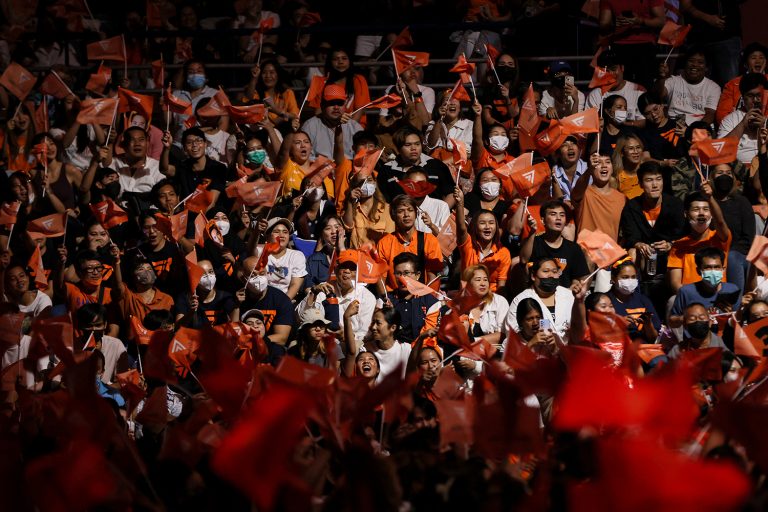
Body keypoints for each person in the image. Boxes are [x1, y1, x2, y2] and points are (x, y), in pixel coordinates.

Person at [297, 249, 375, 343]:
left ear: (359, 273)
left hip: (352, 343)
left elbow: (365, 333)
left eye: (352, 268)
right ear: (335, 269)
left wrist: (346, 336)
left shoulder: (367, 297)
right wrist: (313, 293)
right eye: (343, 267)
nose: (347, 271)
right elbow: (301, 317)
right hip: (323, 340)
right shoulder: (324, 288)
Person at [667, 185, 731, 292]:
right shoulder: (678, 246)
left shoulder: (720, 238)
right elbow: (675, 283)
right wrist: (693, 298)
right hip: (689, 298)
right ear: (686, 214)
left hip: (718, 297)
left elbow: (720, 222)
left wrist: (710, 198)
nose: (701, 213)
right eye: (696, 209)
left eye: (706, 209)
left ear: (712, 214)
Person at [376, 194, 444, 292]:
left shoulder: (429, 240)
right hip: (394, 298)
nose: (406, 214)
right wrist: (386, 300)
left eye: (410, 210)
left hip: (421, 298)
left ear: (416, 214)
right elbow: (380, 278)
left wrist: (427, 301)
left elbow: (433, 278)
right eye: (401, 211)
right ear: (393, 216)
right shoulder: (384, 243)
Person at [377, 126, 455, 206]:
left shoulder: (436, 165)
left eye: (417, 144)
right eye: (408, 145)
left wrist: (441, 213)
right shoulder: (386, 170)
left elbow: (451, 193)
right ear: (398, 148)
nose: (413, 148)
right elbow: (382, 200)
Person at [520, 200, 590, 288]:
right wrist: (532, 232)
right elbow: (523, 260)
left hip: (564, 297)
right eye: (553, 214)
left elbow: (579, 277)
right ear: (542, 220)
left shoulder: (573, 248)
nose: (558, 218)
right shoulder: (533, 242)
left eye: (562, 215)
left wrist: (575, 286)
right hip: (537, 294)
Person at [597, 0, 665, 88]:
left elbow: (661, 21)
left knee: (645, 85)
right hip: (619, 45)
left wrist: (639, 21)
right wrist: (615, 23)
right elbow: (603, 24)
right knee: (621, 86)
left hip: (645, 46)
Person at [454, 188, 511, 293]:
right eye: (482, 223)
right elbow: (461, 228)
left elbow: (501, 287)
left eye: (491, 223)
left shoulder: (503, 253)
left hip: (492, 299)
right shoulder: (468, 245)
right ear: (475, 227)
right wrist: (460, 203)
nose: (487, 226)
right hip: (467, 298)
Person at [669, 247, 741, 329]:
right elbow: (672, 321)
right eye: (708, 268)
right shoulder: (686, 292)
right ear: (698, 271)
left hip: (723, 338)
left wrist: (731, 314)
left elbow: (739, 321)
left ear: (723, 269)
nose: (713, 271)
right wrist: (690, 317)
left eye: (717, 267)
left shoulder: (732, 290)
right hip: (695, 339)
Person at [505, 258, 575, 342]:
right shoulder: (520, 300)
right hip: (535, 351)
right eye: (546, 271)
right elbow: (512, 332)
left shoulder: (569, 295)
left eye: (554, 271)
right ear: (533, 276)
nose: (551, 275)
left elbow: (580, 326)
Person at [710, 164, 755, 292]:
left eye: (728, 173)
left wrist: (727, 254)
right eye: (720, 173)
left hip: (738, 255)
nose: (724, 176)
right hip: (712, 252)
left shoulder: (742, 202)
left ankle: (736, 305)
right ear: (712, 177)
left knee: (733, 257)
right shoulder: (705, 201)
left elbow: (748, 239)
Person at [159, 126, 226, 207]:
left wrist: (197, 219)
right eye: (189, 142)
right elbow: (164, 169)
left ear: (205, 144)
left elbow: (211, 202)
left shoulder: (218, 168)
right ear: (184, 148)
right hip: (185, 215)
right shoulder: (182, 167)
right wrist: (166, 148)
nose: (194, 145)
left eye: (199, 141)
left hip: (210, 215)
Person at [657, 47, 721, 126]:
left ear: (706, 67)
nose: (695, 64)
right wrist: (662, 78)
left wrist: (693, 131)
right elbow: (658, 95)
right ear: (685, 63)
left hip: (698, 127)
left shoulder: (713, 87)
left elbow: (710, 114)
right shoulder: (673, 81)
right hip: (673, 126)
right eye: (691, 61)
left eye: (700, 62)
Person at [237, 255, 293, 346]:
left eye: (262, 274)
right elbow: (233, 332)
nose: (258, 279)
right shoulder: (237, 298)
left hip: (270, 347)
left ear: (267, 274)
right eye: (253, 275)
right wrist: (236, 306)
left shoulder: (281, 300)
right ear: (244, 279)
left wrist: (254, 341)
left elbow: (282, 338)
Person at [585, 50, 646, 128]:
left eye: (613, 69)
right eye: (606, 71)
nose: (610, 74)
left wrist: (626, 125)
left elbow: (646, 121)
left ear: (622, 68)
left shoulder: (638, 91)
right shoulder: (595, 95)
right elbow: (588, 124)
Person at [387, 253, 440, 344]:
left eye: (406, 273)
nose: (402, 278)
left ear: (418, 275)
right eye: (398, 274)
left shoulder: (430, 302)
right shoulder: (386, 300)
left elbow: (428, 336)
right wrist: (388, 314)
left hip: (419, 350)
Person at [717, 73, 767, 165]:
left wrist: (764, 126)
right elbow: (719, 152)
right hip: (739, 169)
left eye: (759, 95)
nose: (756, 100)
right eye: (751, 96)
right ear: (743, 97)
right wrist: (742, 124)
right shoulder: (730, 119)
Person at [301, 85, 362, 160]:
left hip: (348, 169)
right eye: (331, 103)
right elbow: (305, 157)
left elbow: (364, 155)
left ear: (345, 105)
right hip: (319, 169)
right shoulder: (310, 126)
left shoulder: (355, 127)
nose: (336, 107)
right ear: (322, 105)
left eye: (340, 103)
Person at [102, 126, 164, 200]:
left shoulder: (157, 167)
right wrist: (110, 142)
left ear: (147, 143)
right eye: (132, 140)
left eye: (141, 140)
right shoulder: (115, 163)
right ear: (124, 144)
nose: (137, 144)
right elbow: (105, 166)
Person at [607, 259, 660, 343]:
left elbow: (653, 339)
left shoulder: (643, 300)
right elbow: (600, 335)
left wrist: (648, 324)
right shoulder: (605, 302)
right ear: (613, 278)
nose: (630, 281)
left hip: (644, 349)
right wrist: (619, 325)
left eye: (633, 277)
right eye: (625, 277)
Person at [176, 259, 238, 327]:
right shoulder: (185, 298)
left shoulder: (225, 297)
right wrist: (191, 312)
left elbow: (235, 326)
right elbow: (178, 327)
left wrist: (237, 305)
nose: (208, 276)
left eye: (211, 272)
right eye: (202, 274)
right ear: (194, 278)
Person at [118, 258, 174, 333]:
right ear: (133, 276)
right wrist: (116, 262)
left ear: (155, 276)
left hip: (160, 342)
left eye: (150, 269)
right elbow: (118, 285)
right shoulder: (127, 295)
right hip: (134, 344)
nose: (146, 272)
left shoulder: (167, 299)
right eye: (141, 269)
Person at [716, 42, 768, 123]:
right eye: (753, 58)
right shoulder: (732, 84)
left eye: (761, 57)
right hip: (737, 128)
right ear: (745, 64)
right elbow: (722, 115)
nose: (758, 61)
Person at [257, 218, 307, 300]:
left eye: (285, 232)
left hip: (286, 300)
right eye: (276, 232)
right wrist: (256, 233)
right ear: (267, 236)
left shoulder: (296, 255)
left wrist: (282, 305)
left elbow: (295, 285)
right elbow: (250, 250)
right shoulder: (259, 252)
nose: (281, 235)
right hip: (261, 300)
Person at [343, 173, 394, 249]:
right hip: (357, 257)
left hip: (379, 257)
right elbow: (347, 227)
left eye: (369, 180)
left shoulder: (387, 208)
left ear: (375, 183)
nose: (366, 185)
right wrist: (350, 202)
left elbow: (390, 238)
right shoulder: (351, 209)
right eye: (362, 182)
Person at [462, 264, 509, 346]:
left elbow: (503, 335)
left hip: (494, 352)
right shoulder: (460, 305)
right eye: (478, 280)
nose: (483, 283)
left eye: (485, 280)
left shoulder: (499, 302)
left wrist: (472, 341)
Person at [242, 60, 298, 128]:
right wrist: (254, 78)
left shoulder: (287, 93)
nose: (268, 76)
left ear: (278, 74)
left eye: (272, 72)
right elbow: (248, 100)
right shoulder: (257, 93)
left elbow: (295, 115)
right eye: (264, 73)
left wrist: (277, 111)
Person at [324, 48, 371, 125]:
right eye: (336, 59)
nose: (340, 62)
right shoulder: (323, 82)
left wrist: (344, 131)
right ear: (330, 62)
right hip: (330, 127)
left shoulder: (358, 80)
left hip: (354, 128)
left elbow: (358, 114)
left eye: (344, 58)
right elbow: (318, 112)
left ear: (350, 61)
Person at [636, 91, 684, 166]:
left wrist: (687, 135)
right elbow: (645, 158)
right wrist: (663, 163)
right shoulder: (644, 133)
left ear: (662, 105)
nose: (654, 115)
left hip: (684, 169)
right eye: (648, 113)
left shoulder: (678, 125)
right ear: (643, 115)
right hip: (659, 172)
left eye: (655, 109)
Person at [399, 167, 450, 236]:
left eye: (422, 184)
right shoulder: (400, 208)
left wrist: (431, 225)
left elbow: (446, 238)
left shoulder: (441, 206)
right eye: (413, 185)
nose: (418, 188)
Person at [304, 215, 345, 291]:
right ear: (322, 235)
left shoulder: (354, 255)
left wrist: (342, 248)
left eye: (337, 227)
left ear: (343, 231)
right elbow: (308, 288)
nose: (333, 231)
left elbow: (354, 283)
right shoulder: (314, 259)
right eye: (328, 228)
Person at [552, 135, 590, 203]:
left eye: (573, 143)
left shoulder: (589, 169)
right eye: (565, 144)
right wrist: (554, 181)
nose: (570, 147)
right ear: (558, 153)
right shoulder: (552, 172)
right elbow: (555, 203)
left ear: (579, 150)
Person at [611, 133, 646, 199]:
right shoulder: (616, 178)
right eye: (631, 148)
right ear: (622, 153)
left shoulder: (647, 172)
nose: (636, 152)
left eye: (638, 147)